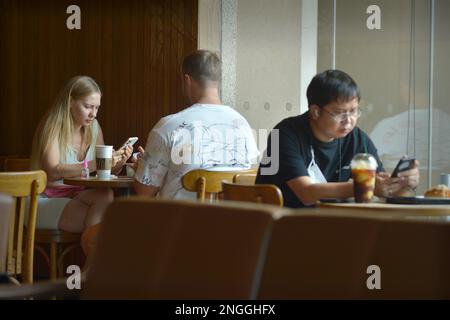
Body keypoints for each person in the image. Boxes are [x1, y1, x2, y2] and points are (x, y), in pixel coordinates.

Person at [255, 70, 420, 208]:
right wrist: (365, 186)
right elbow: (306, 193)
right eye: (340, 113)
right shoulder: (284, 134)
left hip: (327, 222)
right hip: (280, 226)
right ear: (316, 112)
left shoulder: (357, 138)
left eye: (354, 111)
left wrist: (404, 183)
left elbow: (382, 188)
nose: (349, 120)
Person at [133, 50, 259, 199]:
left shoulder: (168, 126)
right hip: (234, 220)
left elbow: (144, 193)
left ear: (187, 80)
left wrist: (142, 169)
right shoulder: (243, 126)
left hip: (181, 221)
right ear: (217, 81)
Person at [30, 76, 132, 233]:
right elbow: (52, 171)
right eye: (88, 106)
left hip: (75, 195)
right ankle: (97, 254)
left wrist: (119, 162)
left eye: (97, 108)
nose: (94, 114)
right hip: (45, 199)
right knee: (110, 225)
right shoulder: (52, 125)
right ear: (70, 102)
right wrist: (97, 163)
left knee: (105, 195)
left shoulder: (94, 127)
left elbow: (103, 171)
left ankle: (95, 253)